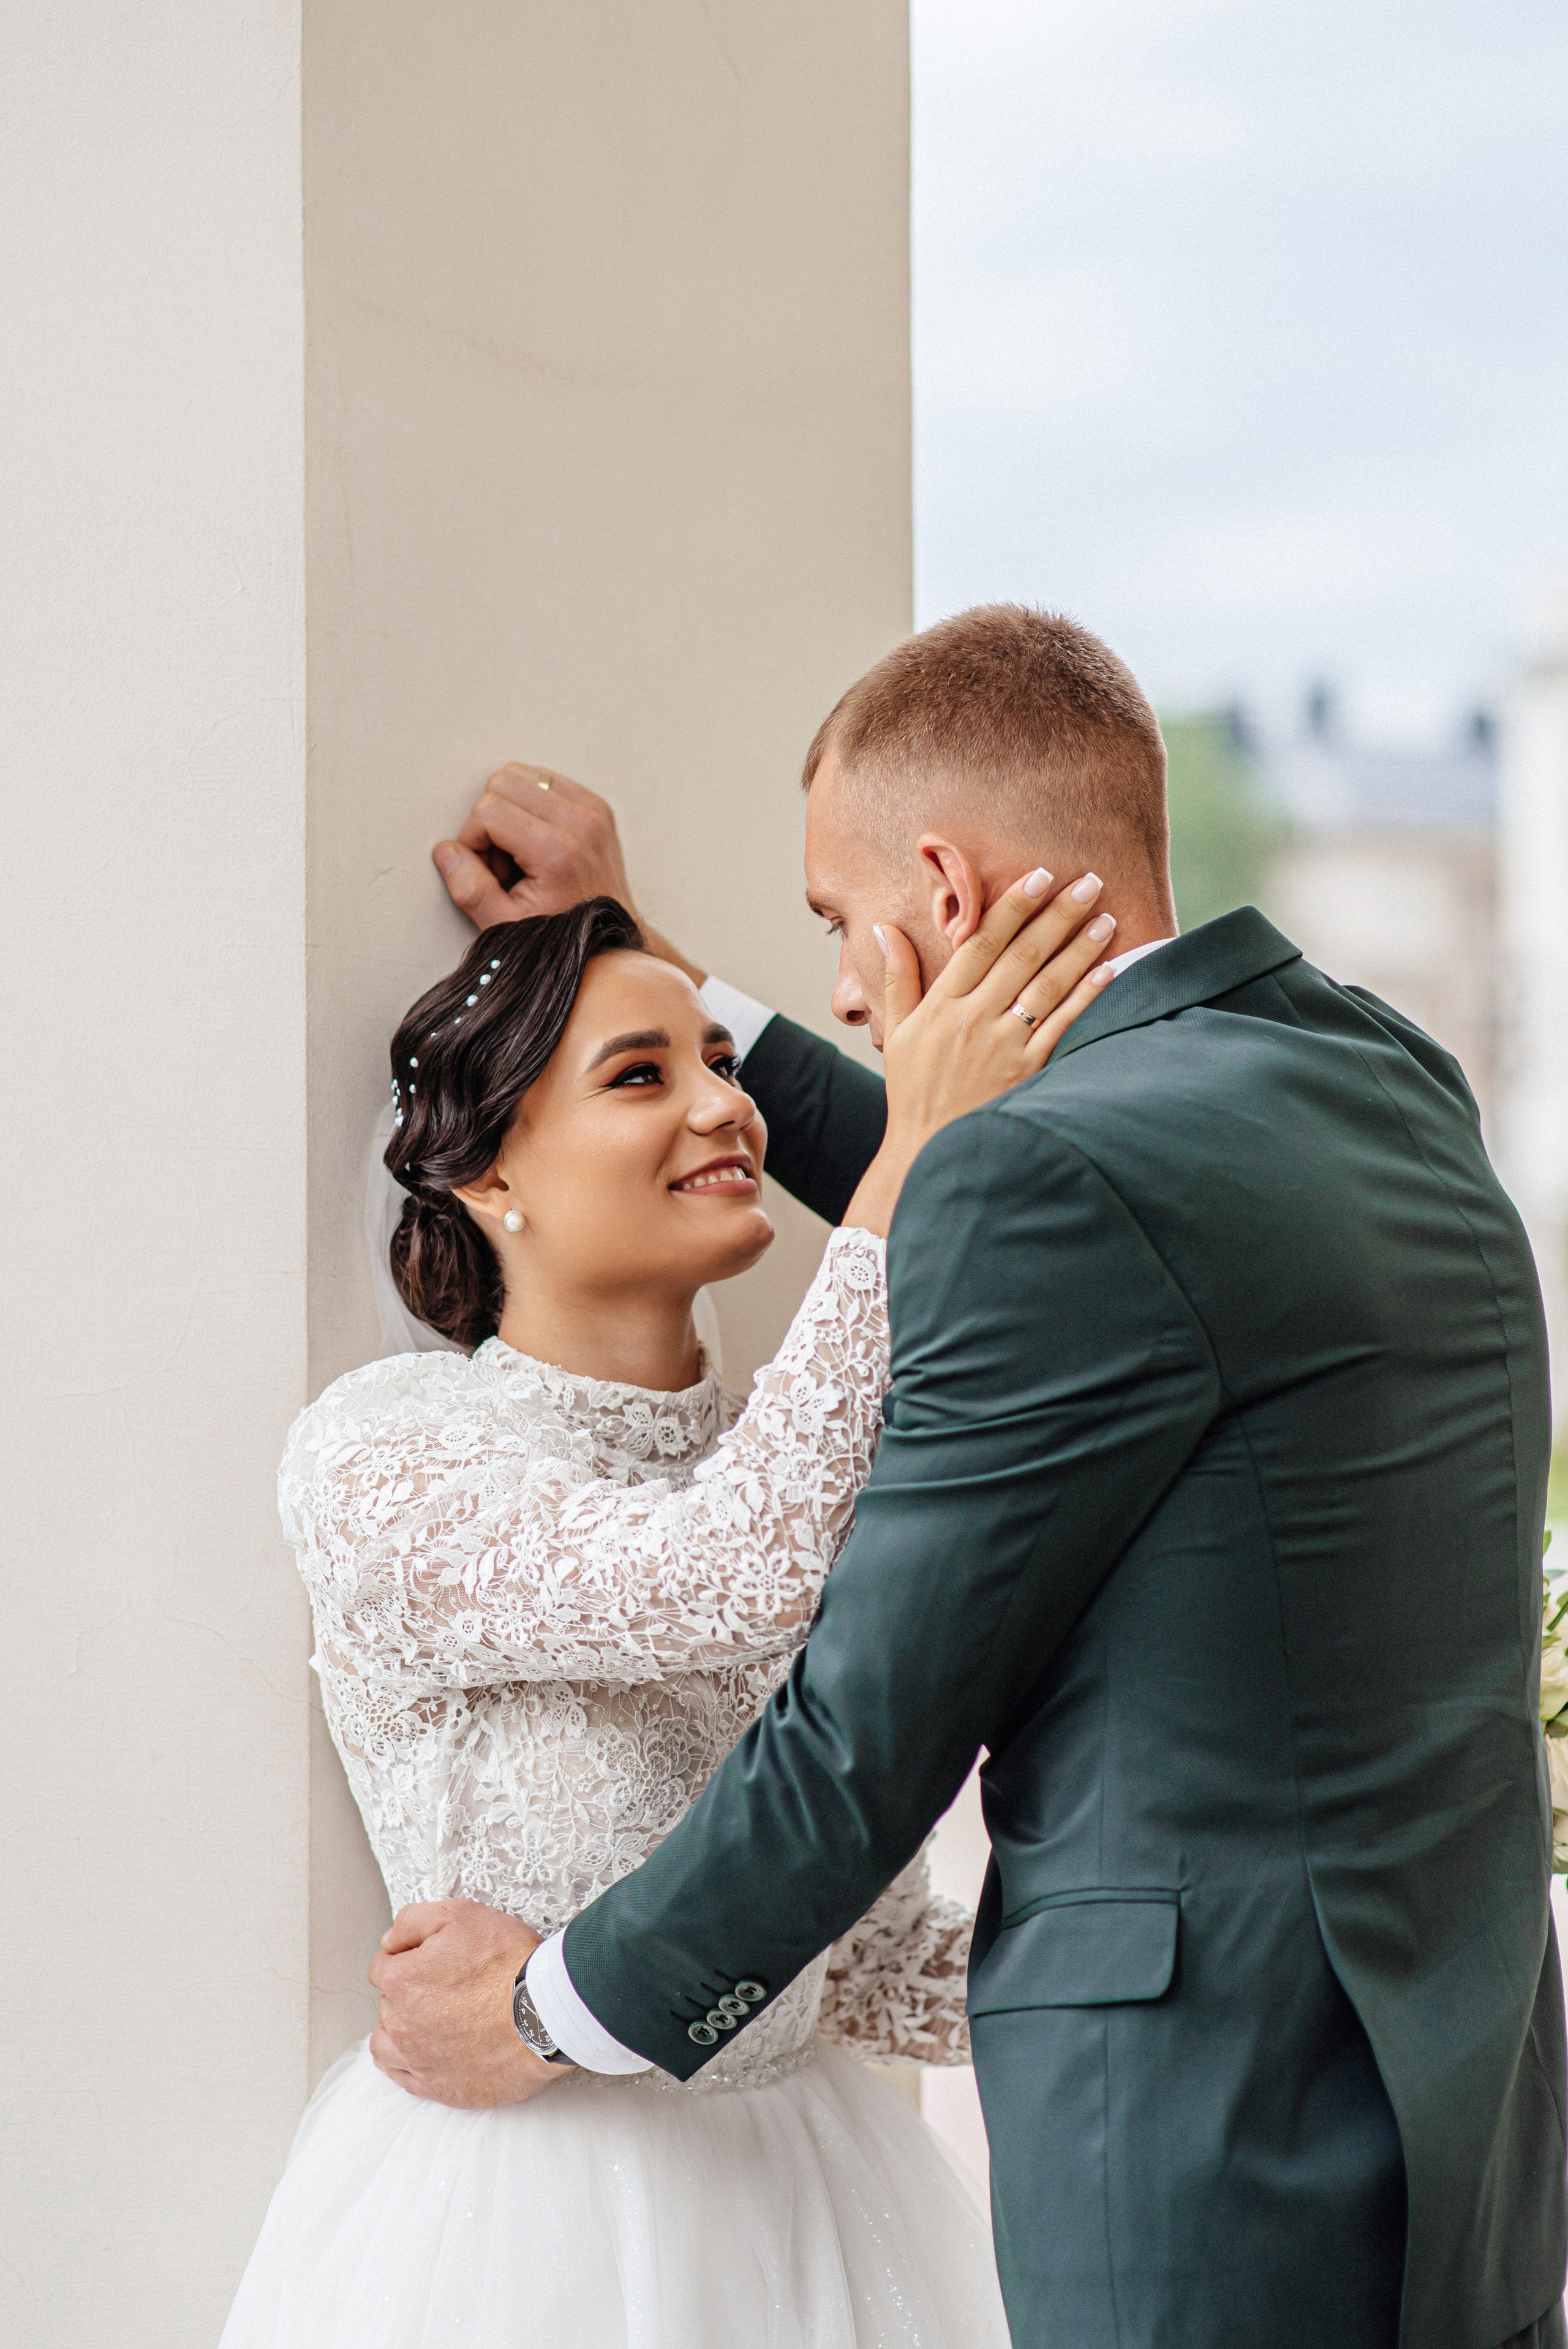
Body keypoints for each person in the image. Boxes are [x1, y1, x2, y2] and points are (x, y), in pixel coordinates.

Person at [376, 605, 1567, 2349]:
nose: (846, 992)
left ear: (941, 884)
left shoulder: (1054, 1187)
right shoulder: (1381, 1074)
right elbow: (1054, 1207)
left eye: (836, 926)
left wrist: (544, 2012)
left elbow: (865, 1736)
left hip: (1206, 2150)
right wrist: (654, 973)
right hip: (1459, 2114)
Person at [220, 878, 1116, 2348]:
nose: (725, 1108)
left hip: (813, 2202)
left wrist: (1191, 1952)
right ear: (487, 1176)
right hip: (521, 2223)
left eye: (717, 1061)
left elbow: (861, 1963)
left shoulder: (798, 1458)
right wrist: (905, 1162)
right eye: (641, 1076)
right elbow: (720, 1575)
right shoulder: (386, 1453)